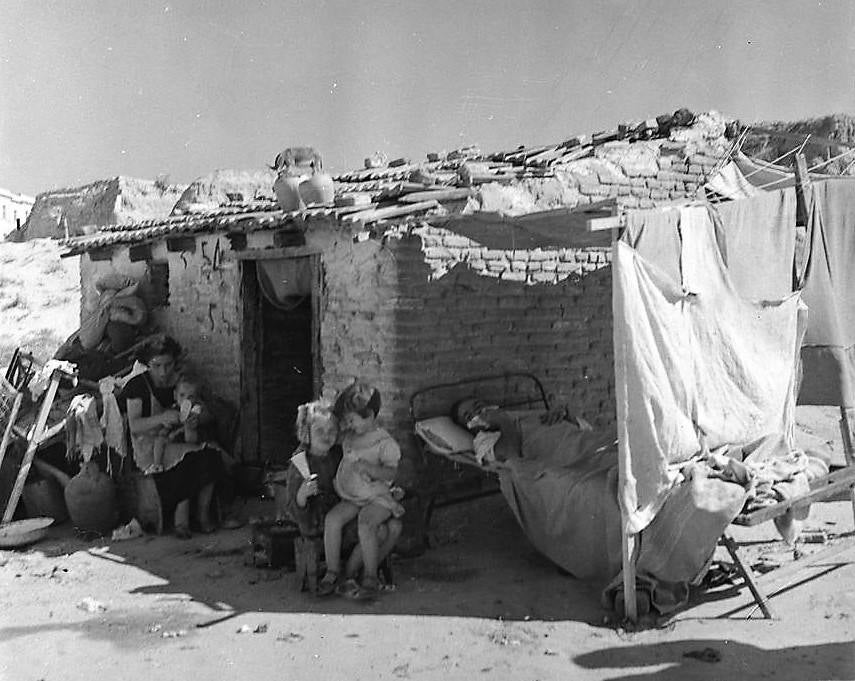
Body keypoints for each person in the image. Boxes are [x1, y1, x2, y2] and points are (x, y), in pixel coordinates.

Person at [121, 335, 224, 539]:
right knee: (199, 456)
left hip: (175, 441)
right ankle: (185, 522)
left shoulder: (180, 384)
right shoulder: (137, 386)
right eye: (156, 365)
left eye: (168, 365)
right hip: (150, 449)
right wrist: (162, 418)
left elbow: (205, 410)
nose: (163, 371)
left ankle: (200, 516)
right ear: (147, 364)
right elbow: (134, 425)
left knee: (210, 457)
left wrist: (195, 418)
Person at [317, 381, 404, 600]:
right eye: (347, 420)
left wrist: (370, 468)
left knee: (366, 523)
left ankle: (371, 576)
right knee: (332, 519)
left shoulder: (385, 443)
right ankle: (332, 571)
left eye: (352, 420)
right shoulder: (350, 437)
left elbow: (391, 474)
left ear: (371, 415)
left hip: (377, 497)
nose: (349, 424)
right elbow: (332, 433)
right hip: (353, 496)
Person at [146, 375, 208, 476]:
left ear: (196, 398)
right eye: (182, 395)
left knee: (191, 433)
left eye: (190, 397)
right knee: (158, 441)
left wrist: (194, 419)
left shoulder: (196, 410)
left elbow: (205, 418)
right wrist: (165, 428)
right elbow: (166, 425)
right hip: (173, 437)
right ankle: (157, 465)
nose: (186, 400)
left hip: (189, 437)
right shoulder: (174, 409)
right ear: (175, 395)